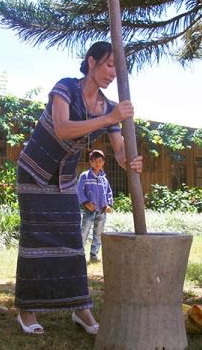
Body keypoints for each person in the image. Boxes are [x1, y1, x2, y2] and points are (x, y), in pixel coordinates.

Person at [14, 41, 142, 335]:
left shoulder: (108, 107)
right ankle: (27, 310)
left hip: (65, 179)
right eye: (109, 65)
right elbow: (62, 127)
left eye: (118, 68)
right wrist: (110, 118)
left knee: (73, 242)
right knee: (34, 241)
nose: (113, 73)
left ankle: (81, 309)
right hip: (35, 172)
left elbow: (120, 152)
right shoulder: (65, 88)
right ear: (92, 62)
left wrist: (131, 161)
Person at [77, 149, 113, 263]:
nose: (98, 163)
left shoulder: (104, 179)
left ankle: (94, 255)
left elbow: (109, 192)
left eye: (100, 161)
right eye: (95, 161)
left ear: (103, 163)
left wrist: (108, 204)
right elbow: (79, 191)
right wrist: (86, 203)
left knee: (98, 234)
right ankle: (79, 254)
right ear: (90, 162)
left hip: (101, 211)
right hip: (89, 210)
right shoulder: (85, 176)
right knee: (84, 232)